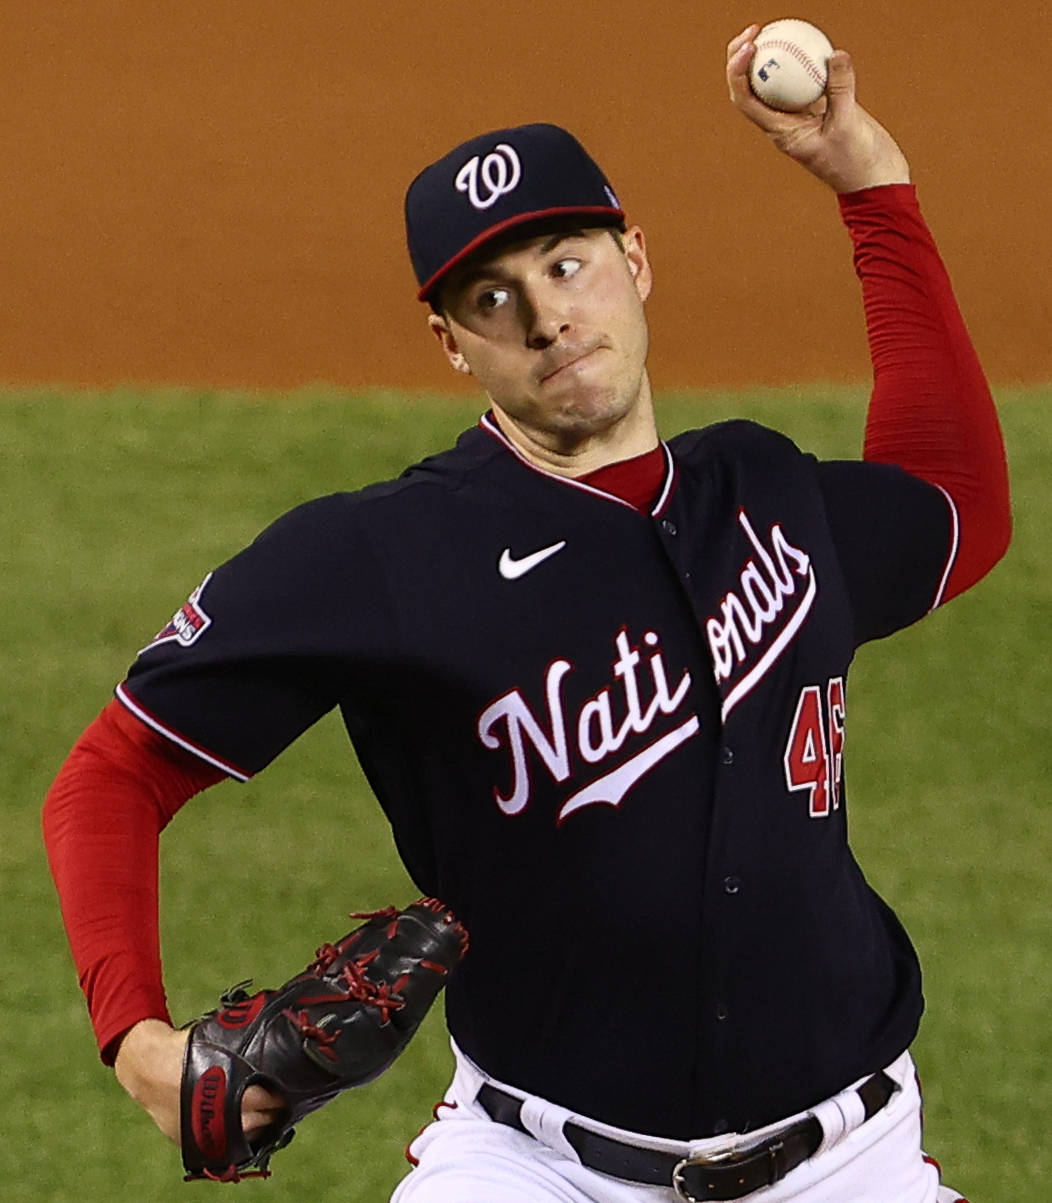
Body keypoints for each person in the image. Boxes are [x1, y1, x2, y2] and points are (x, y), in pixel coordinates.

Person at [44, 24, 1010, 1203]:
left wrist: (867, 180)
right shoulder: (384, 553)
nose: (546, 318)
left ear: (635, 260)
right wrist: (137, 1042)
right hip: (534, 1167)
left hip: (849, 1158)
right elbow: (113, 774)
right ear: (449, 343)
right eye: (490, 297)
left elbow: (955, 505)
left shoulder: (766, 494)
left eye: (566, 263)